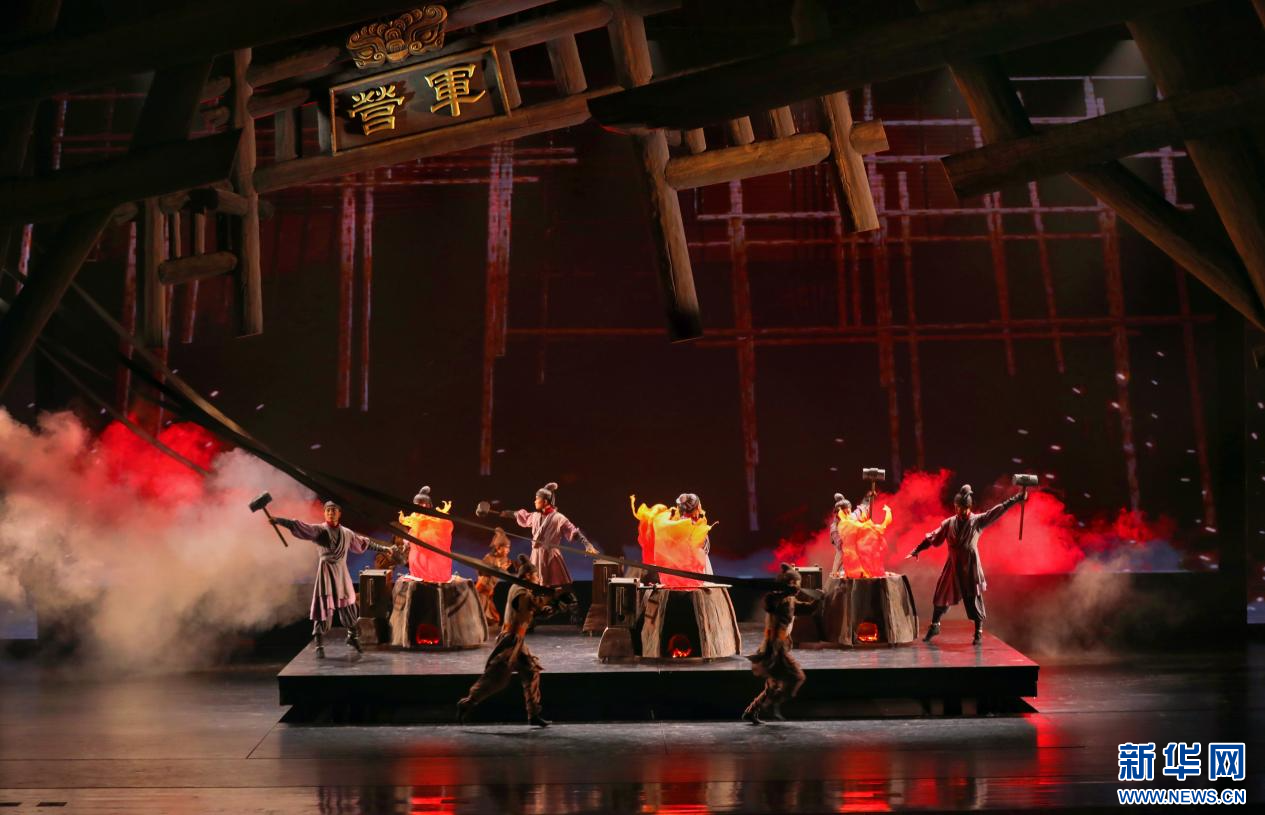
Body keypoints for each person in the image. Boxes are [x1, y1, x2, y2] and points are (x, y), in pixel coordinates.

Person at [457, 555, 576, 727]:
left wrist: (555, 606)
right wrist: (552, 598)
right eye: (536, 575)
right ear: (528, 576)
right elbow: (530, 605)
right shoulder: (520, 591)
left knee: (531, 672)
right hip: (510, 640)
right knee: (496, 676)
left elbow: (536, 612)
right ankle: (468, 702)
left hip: (518, 641)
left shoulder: (524, 590)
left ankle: (533, 713)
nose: (538, 578)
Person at [272, 501, 398, 658]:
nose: (331, 513)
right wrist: (280, 521)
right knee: (323, 607)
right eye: (328, 510)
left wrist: (385, 549)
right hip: (326, 573)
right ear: (325, 513)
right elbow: (301, 527)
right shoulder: (319, 530)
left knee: (349, 606)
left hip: (341, 573)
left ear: (339, 514)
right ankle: (319, 643)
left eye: (334, 510)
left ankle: (352, 637)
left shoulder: (346, 533)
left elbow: (364, 544)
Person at [907, 484, 1026, 644]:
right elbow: (933, 537)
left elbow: (997, 511)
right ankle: (935, 625)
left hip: (970, 566)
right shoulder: (949, 523)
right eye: (957, 507)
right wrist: (918, 549)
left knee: (973, 598)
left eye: (962, 508)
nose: (959, 511)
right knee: (941, 595)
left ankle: (978, 631)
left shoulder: (977, 521)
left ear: (969, 508)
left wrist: (1016, 498)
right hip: (953, 566)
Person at [743, 563, 818, 724]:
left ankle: (753, 710)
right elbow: (769, 604)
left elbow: (808, 609)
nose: (796, 587)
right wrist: (783, 592)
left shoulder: (790, 600)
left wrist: (819, 599)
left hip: (781, 646)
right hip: (774, 648)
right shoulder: (775, 598)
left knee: (773, 684)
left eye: (797, 583)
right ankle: (771, 705)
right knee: (796, 677)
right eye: (793, 583)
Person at [500, 481, 597, 587]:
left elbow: (573, 531)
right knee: (535, 584)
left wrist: (587, 544)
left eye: (537, 499)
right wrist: (507, 513)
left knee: (553, 585)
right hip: (536, 555)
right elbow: (522, 516)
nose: (535, 501)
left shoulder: (559, 518)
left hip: (550, 556)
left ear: (545, 501)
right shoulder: (535, 516)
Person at [398, 485, 454, 583]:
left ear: (425, 506)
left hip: (436, 569)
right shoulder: (416, 519)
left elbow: (435, 540)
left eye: (418, 505)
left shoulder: (438, 521)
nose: (416, 509)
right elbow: (413, 537)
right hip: (418, 569)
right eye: (415, 505)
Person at [475, 528, 512, 627]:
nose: (508, 550)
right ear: (498, 548)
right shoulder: (489, 557)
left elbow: (504, 571)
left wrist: (501, 569)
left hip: (491, 588)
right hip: (483, 587)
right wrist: (496, 568)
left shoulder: (504, 559)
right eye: (506, 547)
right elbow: (480, 571)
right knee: (480, 609)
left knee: (492, 616)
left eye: (509, 548)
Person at [673, 493, 713, 575]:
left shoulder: (675, 524)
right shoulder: (698, 527)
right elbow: (706, 549)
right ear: (698, 507)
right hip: (695, 570)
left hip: (678, 567)